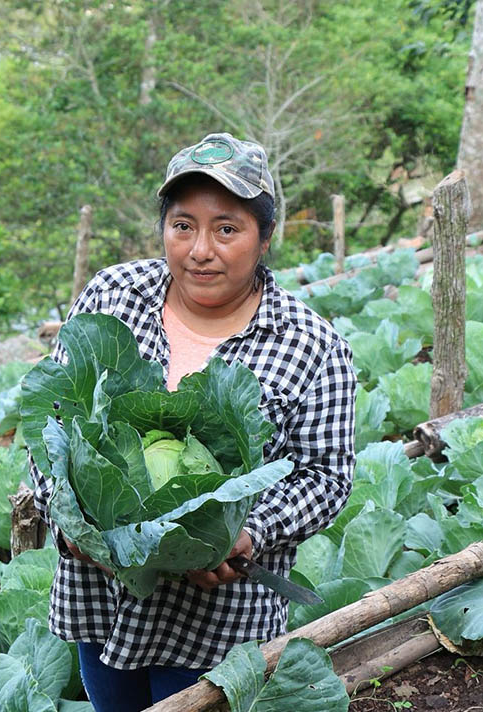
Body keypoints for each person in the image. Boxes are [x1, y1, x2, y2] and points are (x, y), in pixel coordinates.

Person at [30, 132, 357, 711]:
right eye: (183, 226)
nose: (200, 249)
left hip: (216, 621)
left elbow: (326, 476)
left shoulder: (311, 345)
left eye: (227, 229)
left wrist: (248, 532)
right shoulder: (112, 296)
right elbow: (52, 423)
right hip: (100, 598)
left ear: (264, 239)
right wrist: (73, 523)